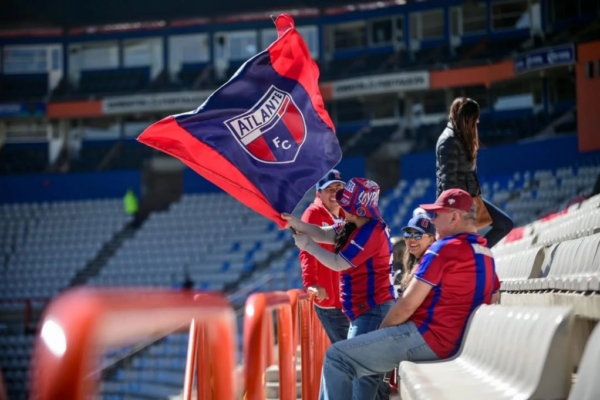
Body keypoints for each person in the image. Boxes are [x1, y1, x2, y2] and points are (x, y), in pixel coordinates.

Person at [316, 188, 500, 400]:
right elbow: (493, 297)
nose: (433, 221)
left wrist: (380, 334)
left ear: (454, 217)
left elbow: (406, 305)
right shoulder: (486, 253)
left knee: (336, 357)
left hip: (429, 337)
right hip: (459, 343)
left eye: (436, 215)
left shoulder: (443, 249)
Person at [282, 177, 395, 400]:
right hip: (364, 310)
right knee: (360, 372)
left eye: (347, 201)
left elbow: (338, 262)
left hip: (373, 310)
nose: (342, 204)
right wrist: (294, 223)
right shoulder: (356, 225)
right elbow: (324, 233)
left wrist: (307, 245)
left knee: (347, 365)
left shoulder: (372, 232)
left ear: (359, 207)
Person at [436, 97, 513, 247]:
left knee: (504, 225)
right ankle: (475, 255)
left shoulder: (459, 137)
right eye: (475, 118)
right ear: (467, 118)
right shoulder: (449, 140)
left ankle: (476, 253)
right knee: (503, 225)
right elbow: (447, 181)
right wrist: (454, 213)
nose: (477, 122)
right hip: (459, 205)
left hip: (470, 201)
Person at [300, 170, 349, 344]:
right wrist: (311, 283)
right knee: (348, 352)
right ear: (318, 193)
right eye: (330, 189)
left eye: (339, 187)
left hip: (349, 299)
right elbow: (307, 251)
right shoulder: (313, 213)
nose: (335, 193)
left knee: (353, 351)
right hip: (330, 300)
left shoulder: (346, 215)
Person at [398, 214, 436, 294]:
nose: (412, 239)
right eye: (408, 234)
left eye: (418, 235)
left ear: (431, 240)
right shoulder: (412, 260)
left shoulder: (431, 263)